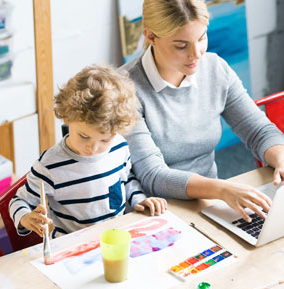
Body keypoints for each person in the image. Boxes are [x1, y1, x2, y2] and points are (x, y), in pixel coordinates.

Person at [121, 0, 284, 222]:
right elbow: (153, 176)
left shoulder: (215, 69)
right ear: (151, 37)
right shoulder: (124, 90)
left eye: (201, 38)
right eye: (181, 45)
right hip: (155, 213)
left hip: (209, 204)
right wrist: (222, 189)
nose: (197, 54)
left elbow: (260, 130)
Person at [10, 65, 167, 238]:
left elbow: (126, 178)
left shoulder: (119, 147)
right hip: (72, 248)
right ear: (67, 117)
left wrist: (140, 200)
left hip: (113, 240)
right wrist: (25, 218)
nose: (92, 148)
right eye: (84, 136)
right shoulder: (49, 166)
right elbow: (19, 201)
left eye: (104, 140)